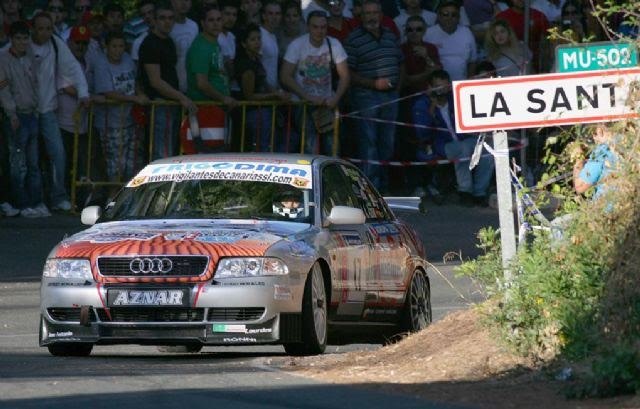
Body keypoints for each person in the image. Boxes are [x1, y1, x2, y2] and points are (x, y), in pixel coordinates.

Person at [30, 11, 89, 212]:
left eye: (48, 28)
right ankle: (31, 201)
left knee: (58, 154)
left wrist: (83, 93)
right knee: (28, 158)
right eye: (41, 28)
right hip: (25, 111)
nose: (45, 32)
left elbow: (73, 68)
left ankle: (58, 197)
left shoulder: (56, 44)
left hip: (48, 110)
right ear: (33, 29)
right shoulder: (20, 45)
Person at [344, 0, 404, 192]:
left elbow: (400, 62)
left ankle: (383, 188)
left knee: (388, 144)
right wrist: (373, 83)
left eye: (375, 12)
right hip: (366, 96)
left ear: (381, 15)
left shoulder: (390, 35)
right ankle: (370, 191)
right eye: (367, 13)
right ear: (361, 15)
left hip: (391, 97)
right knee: (368, 145)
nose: (371, 17)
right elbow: (348, 73)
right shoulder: (353, 39)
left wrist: (398, 88)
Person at [413, 69, 493, 206]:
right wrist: (432, 110)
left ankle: (480, 191)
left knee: (488, 149)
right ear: (430, 87)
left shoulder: (456, 99)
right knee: (464, 149)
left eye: (444, 87)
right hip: (440, 145)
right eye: (437, 87)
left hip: (464, 139)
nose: (441, 91)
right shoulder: (422, 104)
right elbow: (422, 134)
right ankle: (465, 191)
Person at [281, 9, 350, 155]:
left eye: (323, 27)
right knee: (309, 146)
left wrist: (335, 98)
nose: (319, 31)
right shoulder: (297, 45)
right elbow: (285, 76)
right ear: (308, 27)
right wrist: (307, 96)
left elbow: (345, 76)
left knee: (332, 147)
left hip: (327, 103)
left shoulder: (334, 44)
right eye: (315, 27)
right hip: (303, 103)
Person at [0, 21, 48, 217]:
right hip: (16, 115)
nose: (22, 42)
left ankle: (36, 202)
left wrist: (36, 109)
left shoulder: (30, 57)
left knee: (33, 162)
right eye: (18, 38)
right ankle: (20, 203)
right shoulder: (3, 59)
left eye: (25, 38)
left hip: (31, 114)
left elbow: (36, 84)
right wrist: (11, 113)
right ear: (11, 40)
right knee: (18, 163)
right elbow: (3, 89)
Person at [139, 1, 196, 160]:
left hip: (171, 104)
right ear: (155, 20)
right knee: (161, 154)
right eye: (162, 18)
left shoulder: (169, 41)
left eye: (171, 18)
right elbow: (155, 81)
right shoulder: (150, 44)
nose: (167, 21)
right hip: (159, 105)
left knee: (170, 151)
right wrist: (181, 97)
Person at [94, 31, 149, 187]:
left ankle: (130, 198)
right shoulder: (101, 63)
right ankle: (112, 198)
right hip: (111, 122)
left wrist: (139, 93)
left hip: (131, 119)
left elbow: (134, 81)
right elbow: (107, 92)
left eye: (121, 46)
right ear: (106, 46)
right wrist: (134, 98)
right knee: (116, 164)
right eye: (114, 46)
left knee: (133, 163)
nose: (118, 50)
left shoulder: (127, 59)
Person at [186, 6, 237, 153]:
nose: (216, 24)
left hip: (216, 110)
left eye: (219, 20)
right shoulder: (201, 47)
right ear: (203, 23)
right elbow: (201, 83)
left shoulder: (214, 44)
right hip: (204, 111)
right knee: (207, 155)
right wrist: (223, 98)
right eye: (211, 20)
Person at [234, 23, 290, 152]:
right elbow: (249, 96)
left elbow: (265, 83)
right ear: (244, 43)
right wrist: (274, 96)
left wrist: (279, 93)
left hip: (263, 110)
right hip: (254, 113)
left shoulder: (255, 60)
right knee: (261, 147)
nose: (257, 42)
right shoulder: (247, 66)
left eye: (259, 38)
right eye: (252, 39)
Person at [423, 0, 476, 81]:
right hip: (437, 86)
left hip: (461, 84)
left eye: (453, 15)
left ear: (458, 18)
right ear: (439, 16)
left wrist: (469, 83)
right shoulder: (428, 33)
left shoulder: (467, 32)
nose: (449, 18)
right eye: (445, 14)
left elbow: (472, 61)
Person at [495, 0, 549, 73]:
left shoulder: (539, 16)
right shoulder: (502, 17)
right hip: (510, 66)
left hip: (538, 65)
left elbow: (549, 42)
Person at [170, 0, 198, 93]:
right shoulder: (167, 26)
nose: (183, 3)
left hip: (192, 84)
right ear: (172, 2)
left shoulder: (194, 26)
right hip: (171, 85)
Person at [260, 1, 283, 91]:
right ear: (264, 16)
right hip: (262, 92)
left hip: (272, 91)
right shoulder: (259, 35)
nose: (274, 17)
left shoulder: (273, 36)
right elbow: (256, 67)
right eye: (270, 14)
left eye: (277, 14)